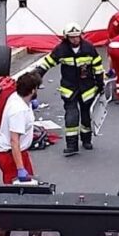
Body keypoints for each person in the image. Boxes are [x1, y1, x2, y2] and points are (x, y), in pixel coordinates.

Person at [39, 22, 104, 156]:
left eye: (77, 36)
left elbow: (97, 66)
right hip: (69, 89)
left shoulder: (89, 48)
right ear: (66, 37)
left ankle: (86, 140)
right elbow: (47, 63)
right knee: (71, 116)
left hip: (87, 89)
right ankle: (72, 145)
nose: (75, 39)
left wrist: (100, 84)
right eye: (72, 37)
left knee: (86, 116)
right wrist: (36, 76)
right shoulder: (61, 50)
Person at [0, 70, 42, 183]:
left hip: (18, 153)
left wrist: (31, 103)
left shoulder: (17, 96)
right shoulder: (19, 111)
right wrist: (20, 168)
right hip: (11, 156)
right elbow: (14, 141)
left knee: (30, 185)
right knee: (17, 190)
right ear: (32, 90)